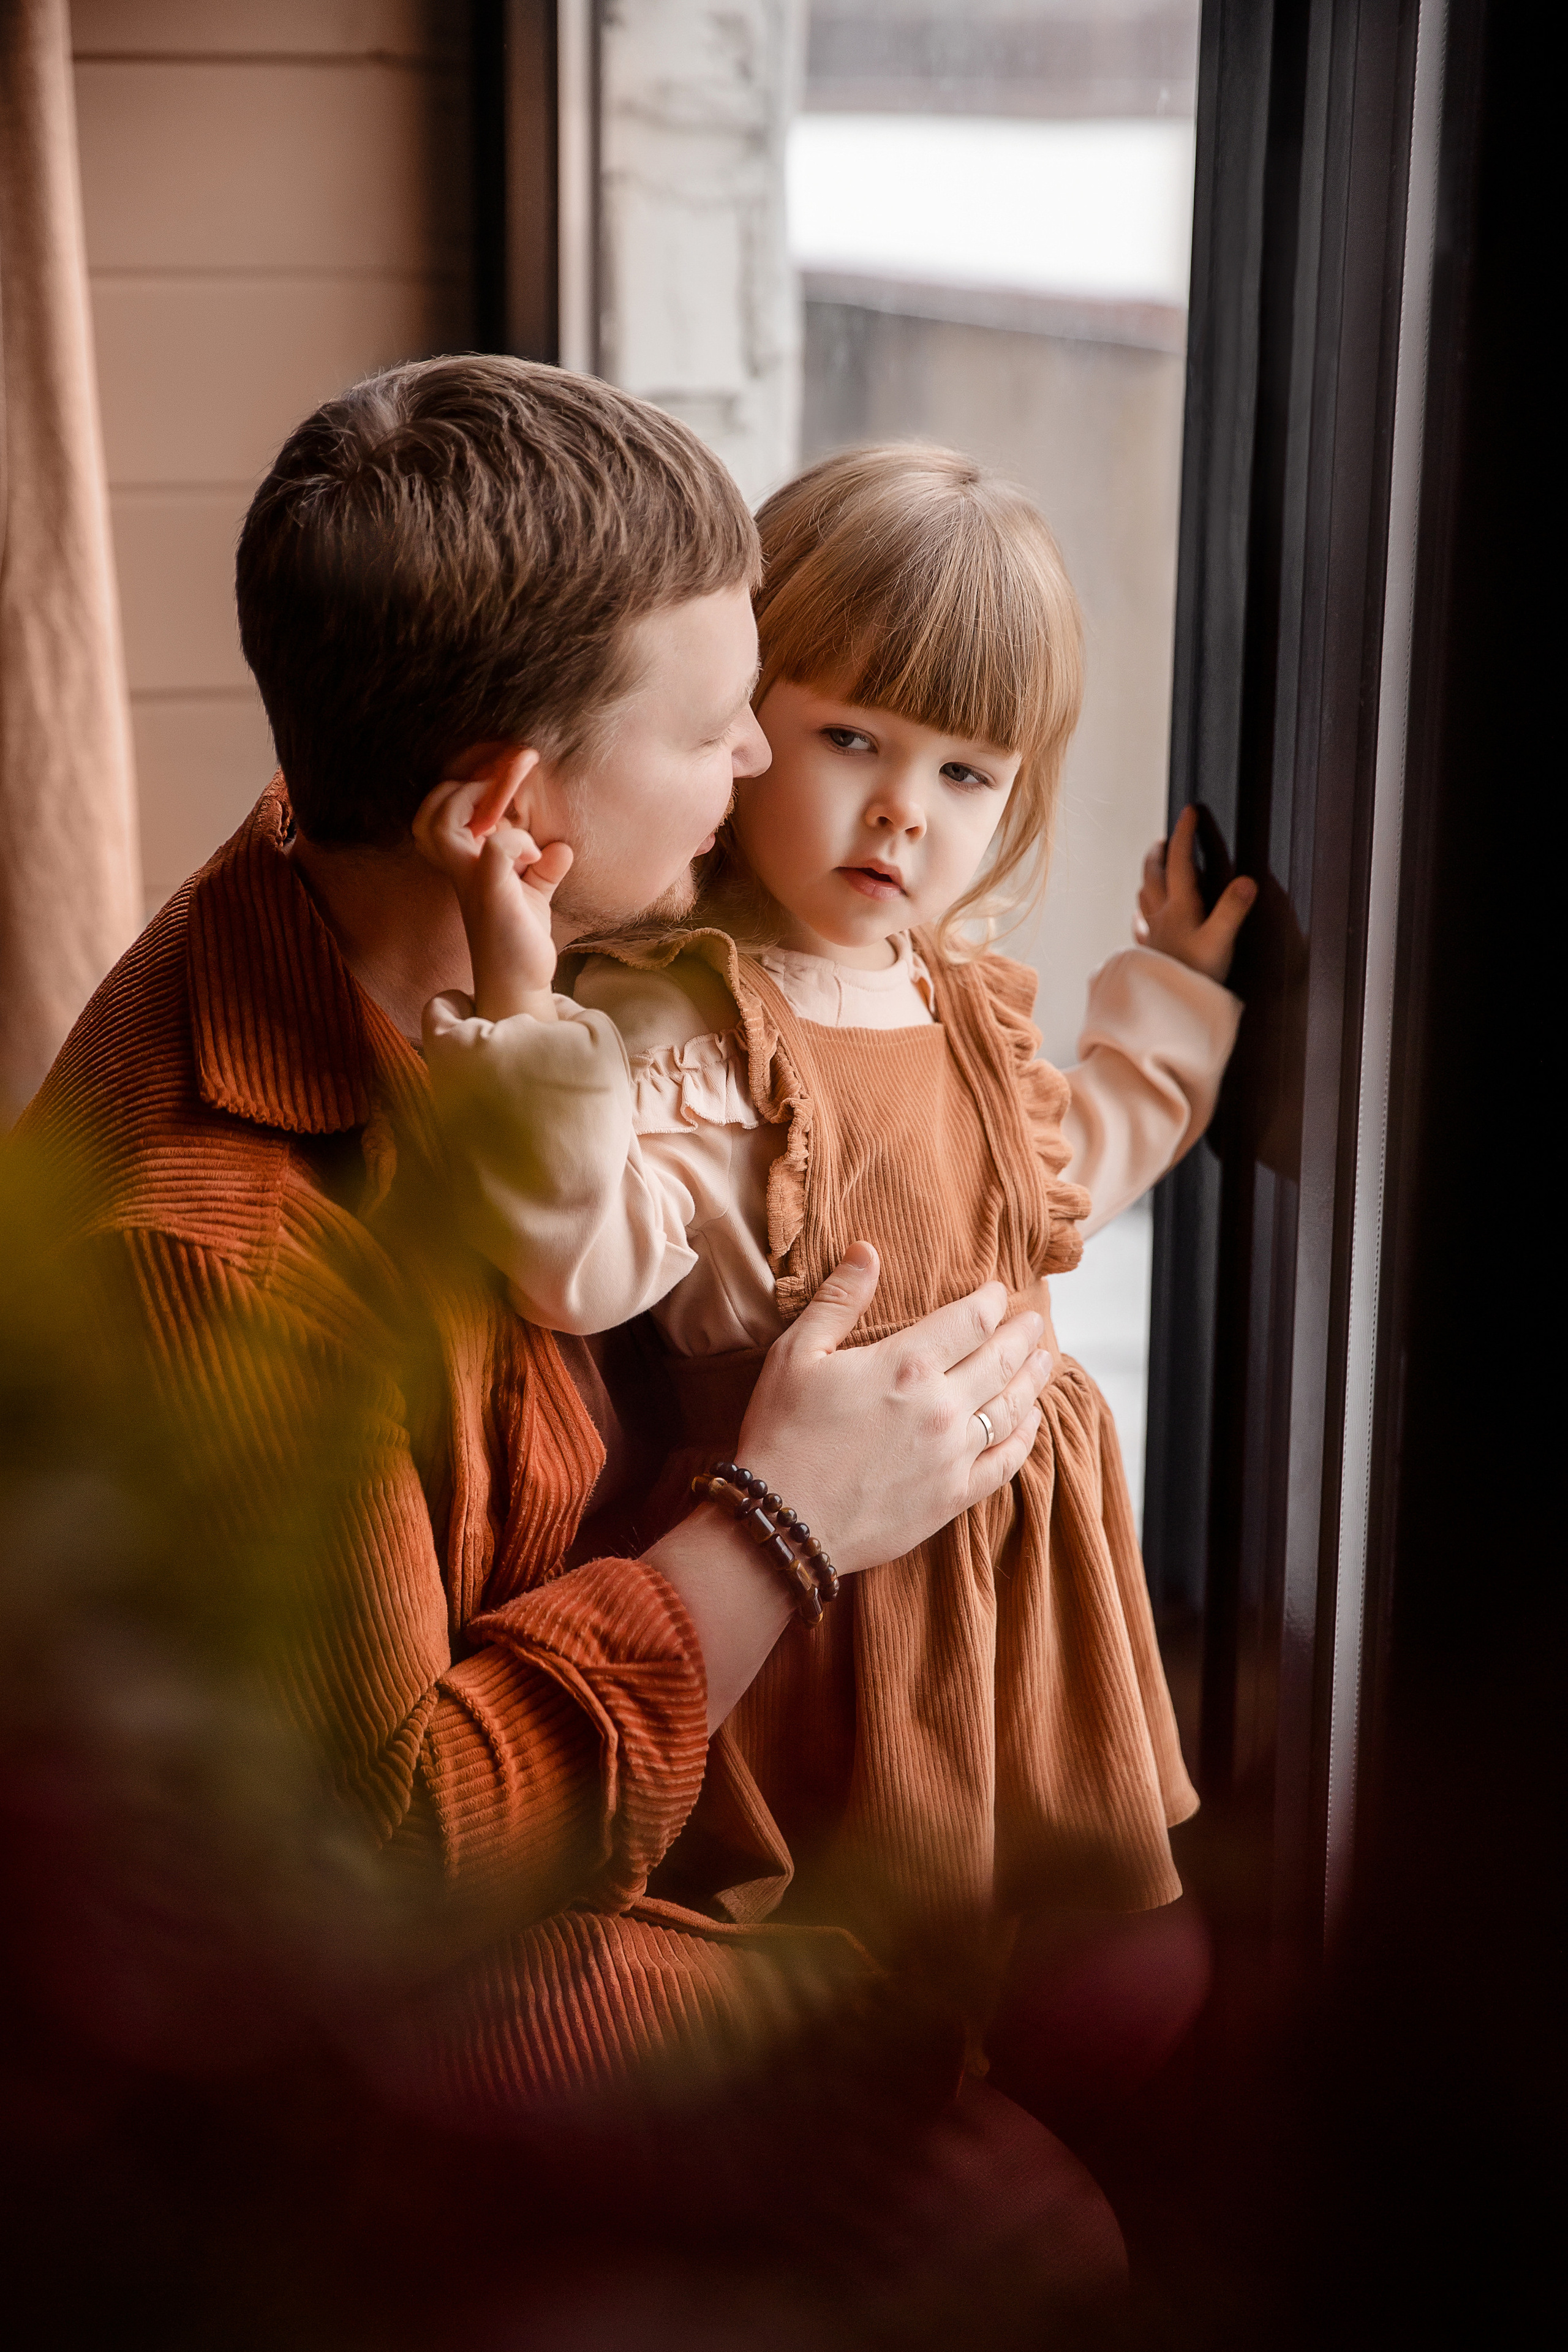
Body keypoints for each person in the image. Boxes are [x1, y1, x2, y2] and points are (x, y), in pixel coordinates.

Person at [10, 361, 1130, 2328]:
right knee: (1040, 2232)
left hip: (549, 1827)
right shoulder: (231, 1262)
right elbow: (370, 1873)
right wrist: (782, 1528)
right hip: (344, 2008)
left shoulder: (376, 865)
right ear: (515, 815)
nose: (754, 784)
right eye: (724, 732)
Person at [413, 445, 1254, 2034]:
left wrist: (1176, 998)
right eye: (849, 738)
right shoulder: (687, 1015)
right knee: (906, 1976)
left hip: (1030, 1591)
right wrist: (521, 1015)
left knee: (1119, 1969)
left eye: (964, 773)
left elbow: (1064, 1165)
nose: (900, 813)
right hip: (845, 1606)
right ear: (744, 731)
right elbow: (575, 1255)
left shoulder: (957, 992)